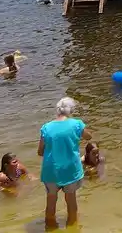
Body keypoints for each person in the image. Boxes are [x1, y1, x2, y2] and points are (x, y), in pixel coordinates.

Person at [38, 97, 90, 230]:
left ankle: (50, 228)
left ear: (57, 110)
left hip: (51, 170)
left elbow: (40, 151)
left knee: (50, 201)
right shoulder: (77, 124)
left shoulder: (46, 127)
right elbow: (88, 136)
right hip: (70, 169)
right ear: (71, 110)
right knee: (71, 201)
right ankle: (72, 229)